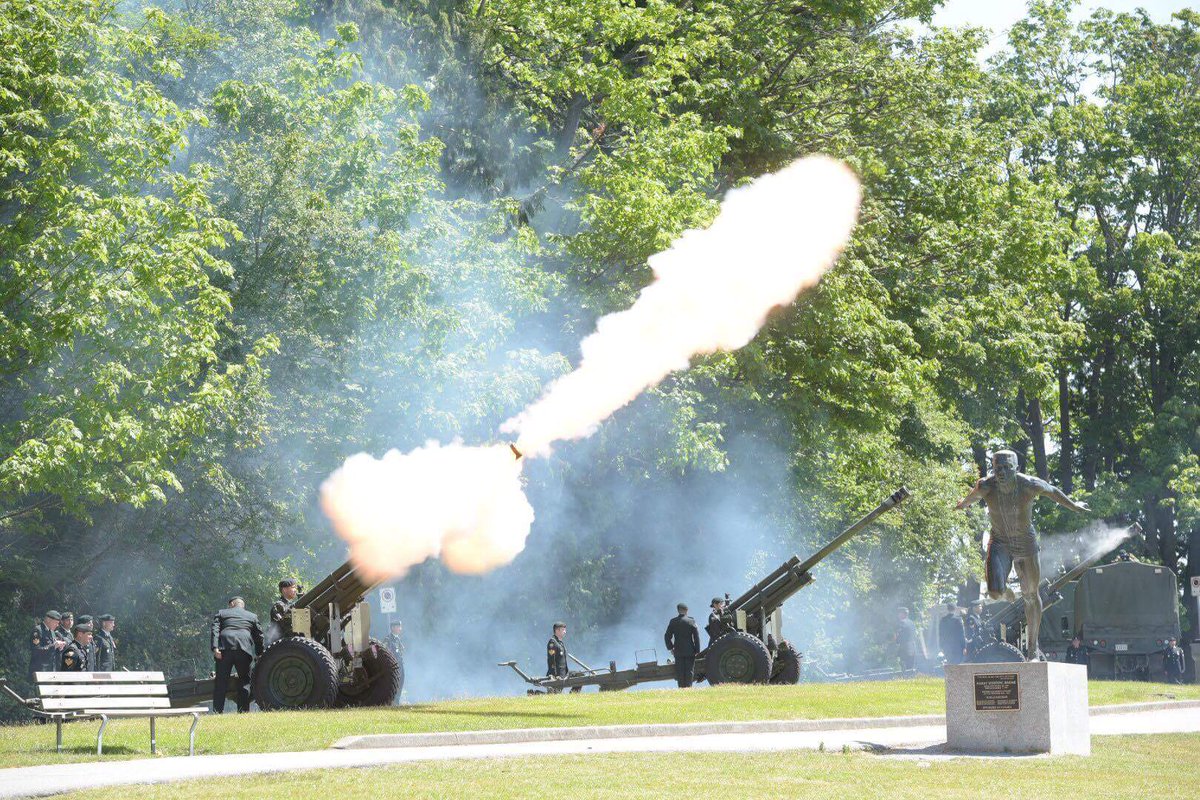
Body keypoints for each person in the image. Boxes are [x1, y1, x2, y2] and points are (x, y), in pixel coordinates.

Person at [956, 449, 1089, 660]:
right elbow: (972, 496)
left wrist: (1074, 506)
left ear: (1016, 468)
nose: (1001, 472)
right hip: (999, 541)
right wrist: (962, 504)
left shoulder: (1028, 484)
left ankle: (1032, 649)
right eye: (997, 467)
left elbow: (1053, 491)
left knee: (1031, 595)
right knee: (994, 592)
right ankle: (1007, 593)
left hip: (1025, 542)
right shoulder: (986, 486)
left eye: (1007, 467)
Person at [210, 596, 264, 713]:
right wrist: (259, 654)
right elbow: (259, 637)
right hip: (244, 649)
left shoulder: (222, 613)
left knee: (221, 682)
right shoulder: (252, 616)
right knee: (244, 681)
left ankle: (217, 711)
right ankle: (243, 711)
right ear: (242, 605)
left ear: (232, 604)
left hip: (224, 649)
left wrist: (215, 648)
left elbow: (215, 630)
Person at [664, 603, 701, 688]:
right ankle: (688, 687)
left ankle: (681, 688)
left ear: (678, 610)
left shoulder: (673, 621)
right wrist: (697, 650)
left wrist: (671, 648)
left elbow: (667, 636)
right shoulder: (691, 621)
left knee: (680, 671)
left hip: (678, 650)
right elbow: (696, 637)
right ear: (687, 610)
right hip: (690, 650)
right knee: (689, 671)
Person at [29, 611, 66, 678]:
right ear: (48, 620)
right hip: (40, 670)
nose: (57, 625)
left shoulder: (52, 632)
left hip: (51, 670)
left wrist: (59, 648)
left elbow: (53, 651)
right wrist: (54, 646)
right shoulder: (37, 630)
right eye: (56, 622)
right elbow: (36, 650)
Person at [383, 620, 406, 701]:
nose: (400, 629)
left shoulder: (398, 639)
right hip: (394, 666)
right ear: (393, 628)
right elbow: (385, 652)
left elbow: (401, 651)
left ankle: (397, 701)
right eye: (398, 626)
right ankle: (392, 701)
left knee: (400, 683)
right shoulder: (388, 639)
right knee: (394, 684)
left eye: (400, 626)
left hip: (400, 665)